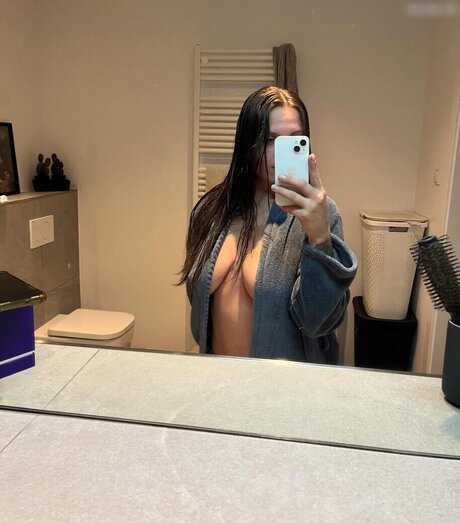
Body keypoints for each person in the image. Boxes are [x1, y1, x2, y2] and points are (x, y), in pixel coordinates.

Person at [179, 86, 357, 364]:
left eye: (294, 140)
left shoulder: (321, 213)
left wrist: (320, 238)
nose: (280, 153)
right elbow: (199, 304)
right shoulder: (211, 210)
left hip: (284, 384)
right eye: (270, 140)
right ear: (247, 143)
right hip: (216, 376)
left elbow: (318, 323)